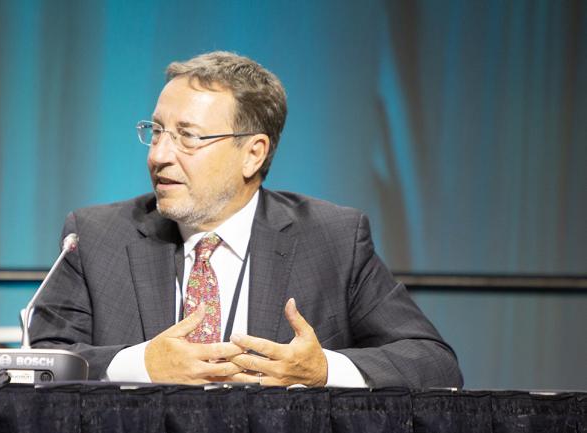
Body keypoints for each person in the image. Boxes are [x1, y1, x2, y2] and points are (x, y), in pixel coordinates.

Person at [31, 51, 463, 388]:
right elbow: (38, 359)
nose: (159, 155)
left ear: (253, 153)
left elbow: (433, 362)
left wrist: (322, 370)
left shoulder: (333, 239)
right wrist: (141, 364)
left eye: (188, 137)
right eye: (157, 131)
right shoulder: (94, 236)